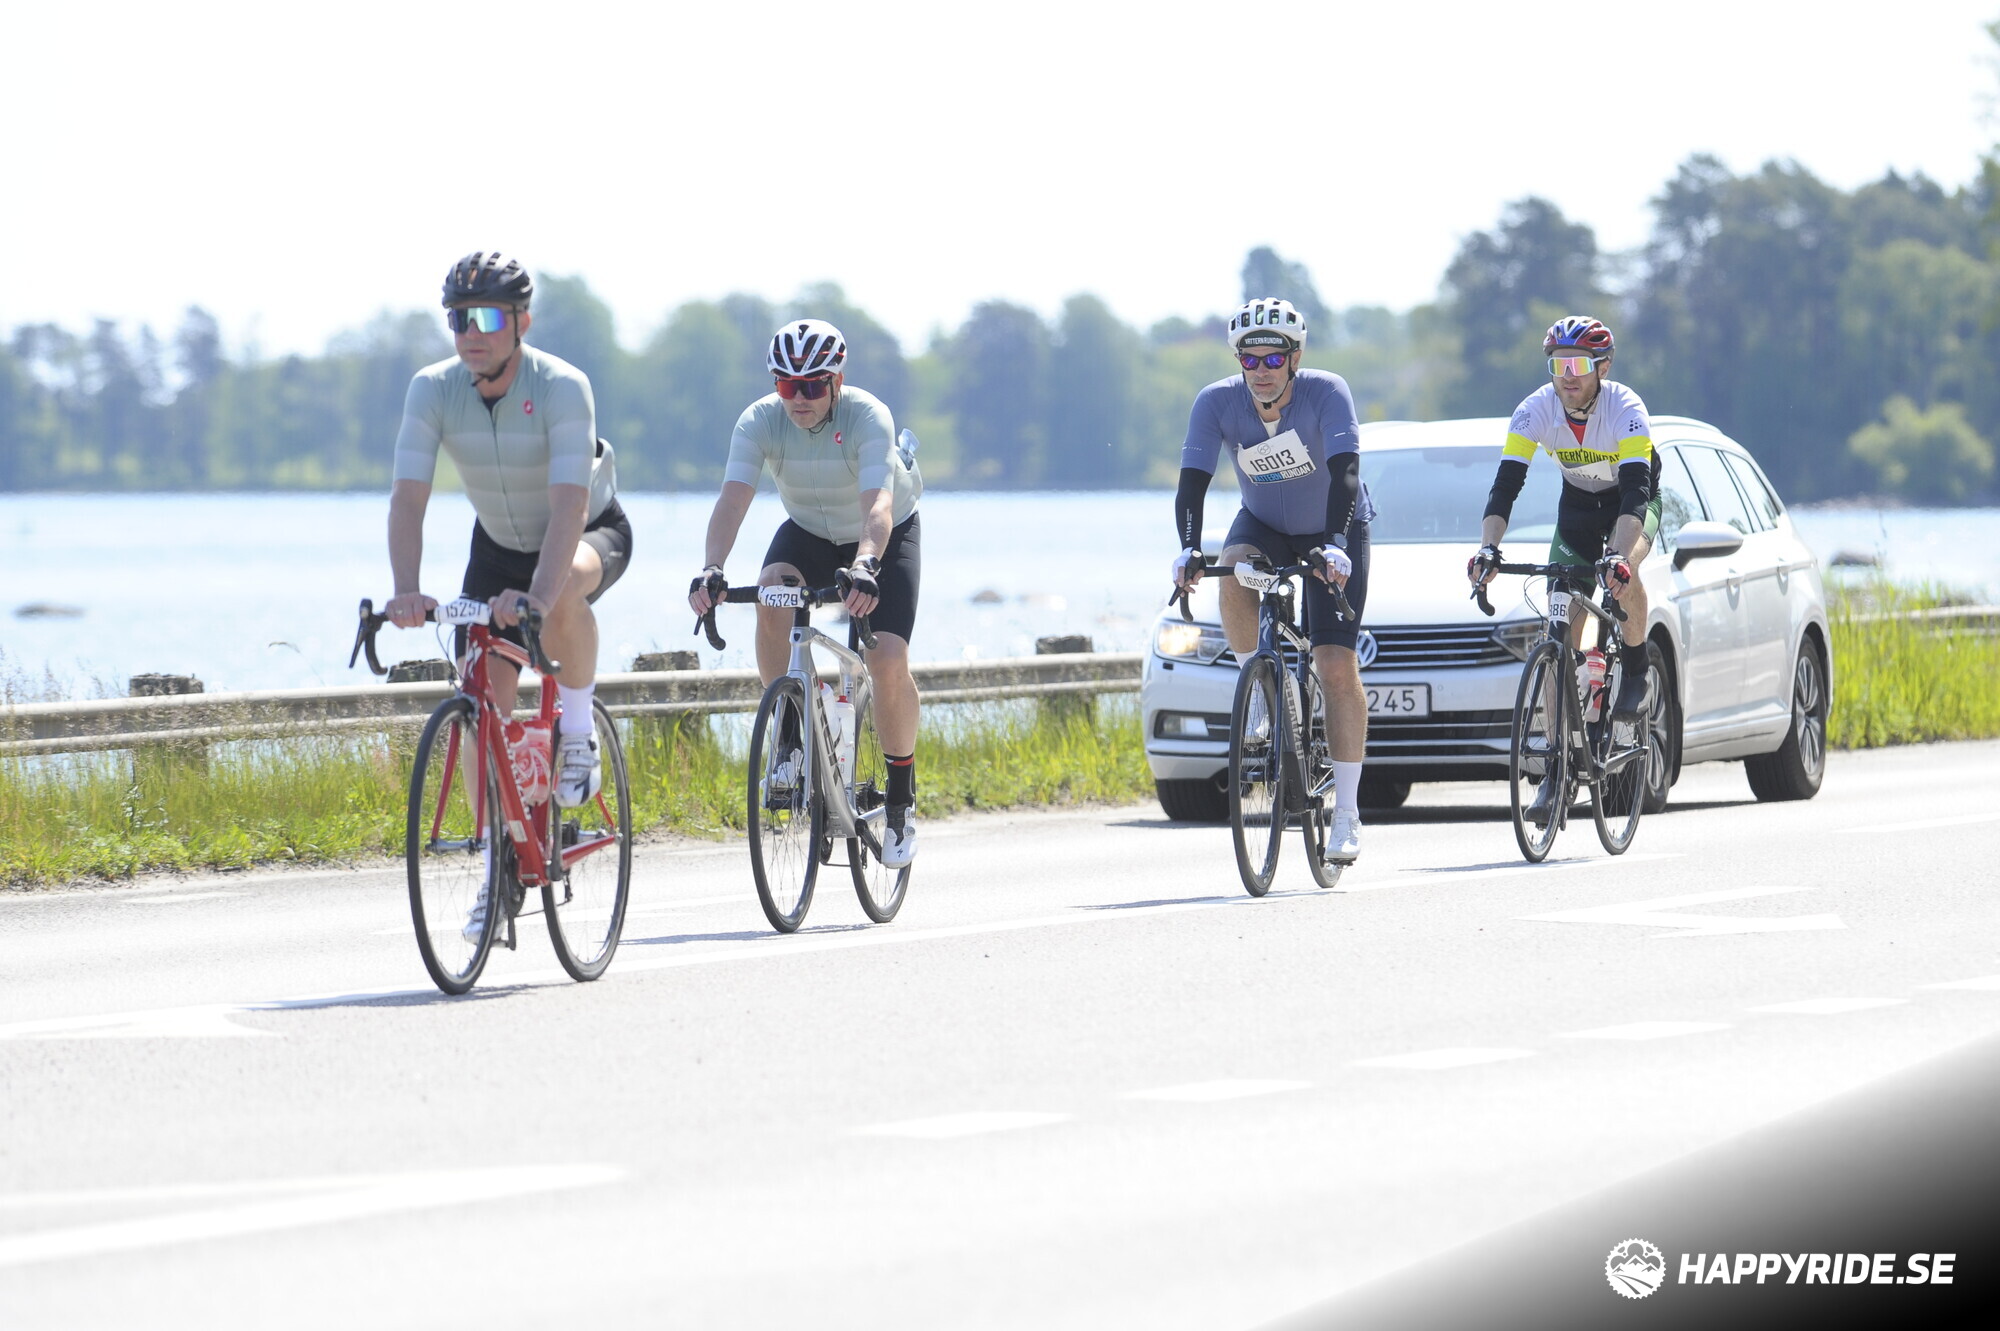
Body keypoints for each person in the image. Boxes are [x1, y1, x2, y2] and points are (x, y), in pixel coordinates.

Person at [385, 251, 631, 809]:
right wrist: (406, 589)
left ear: (523, 322)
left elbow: (570, 506)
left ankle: (577, 732)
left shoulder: (562, 386)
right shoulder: (432, 389)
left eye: (489, 317)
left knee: (561, 590)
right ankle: (496, 852)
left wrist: (538, 598)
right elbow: (408, 498)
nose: (473, 333)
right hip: (497, 550)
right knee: (480, 710)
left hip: (587, 532)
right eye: (459, 318)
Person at [688, 319, 924, 868]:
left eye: (813, 386)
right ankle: (792, 736)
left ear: (836, 381)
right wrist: (712, 568)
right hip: (809, 532)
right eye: (787, 385)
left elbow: (878, 506)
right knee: (772, 593)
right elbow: (732, 500)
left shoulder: (868, 415)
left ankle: (900, 800)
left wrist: (866, 564)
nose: (799, 398)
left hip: (882, 535)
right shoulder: (759, 421)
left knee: (887, 659)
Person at [1172, 298, 1374, 862]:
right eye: (1249, 359)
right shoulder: (1215, 402)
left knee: (1335, 665)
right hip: (1263, 525)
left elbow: (1346, 474)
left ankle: (1347, 812)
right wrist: (1189, 548)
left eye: (1273, 358)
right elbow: (1192, 482)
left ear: (1295, 358)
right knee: (1233, 568)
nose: (1261, 370)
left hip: (1334, 526)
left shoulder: (1327, 392)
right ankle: (1263, 689)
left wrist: (1336, 546)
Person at [1468, 315, 1660, 826]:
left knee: (1623, 572)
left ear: (1603, 367)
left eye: (1578, 365)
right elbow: (1505, 487)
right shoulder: (1535, 410)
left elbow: (1637, 493)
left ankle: (1635, 668)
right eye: (1558, 365)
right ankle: (1557, 768)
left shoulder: (1626, 409)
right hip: (1577, 511)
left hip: (1630, 506)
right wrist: (1488, 549)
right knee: (1557, 636)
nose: (1567, 376)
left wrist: (1618, 558)